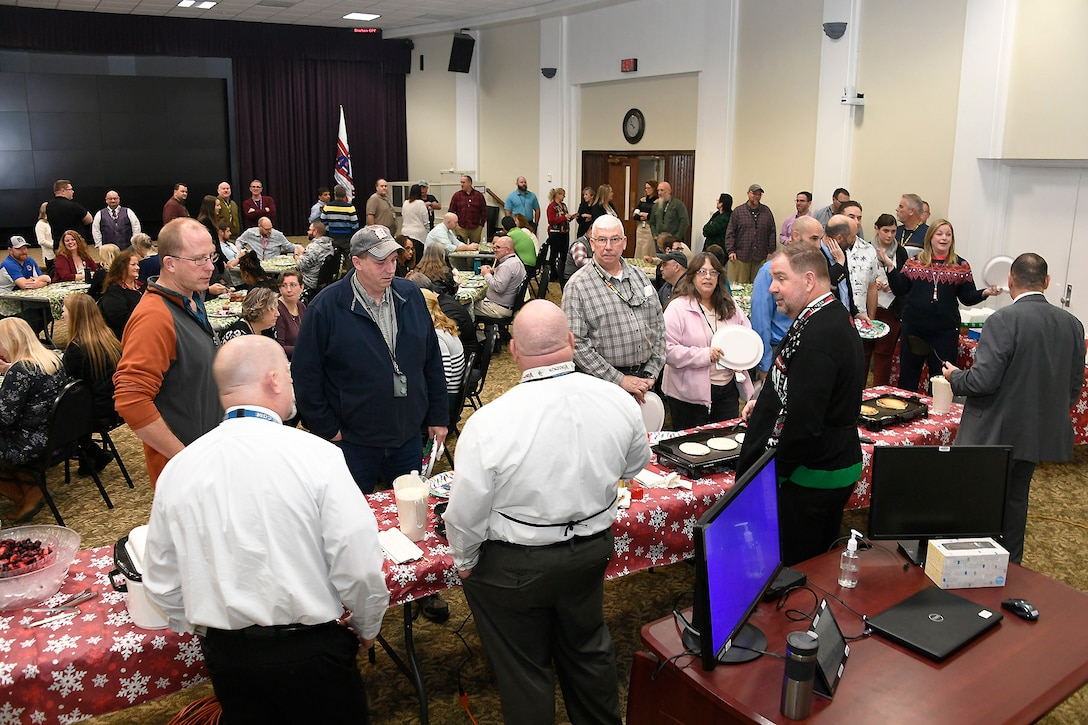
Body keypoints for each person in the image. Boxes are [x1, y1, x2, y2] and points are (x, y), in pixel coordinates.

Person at [143, 335, 390, 724]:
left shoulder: (180, 467)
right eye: (289, 377)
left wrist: (207, 627)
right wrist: (367, 625)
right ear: (274, 380)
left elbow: (160, 578)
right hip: (310, 649)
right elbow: (358, 565)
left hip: (229, 655)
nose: (292, 386)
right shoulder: (318, 456)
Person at [445, 300, 651, 725]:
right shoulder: (620, 400)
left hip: (517, 564)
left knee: (525, 670)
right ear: (572, 343)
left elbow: (466, 511)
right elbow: (634, 467)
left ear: (515, 352)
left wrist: (465, 560)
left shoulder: (490, 422)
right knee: (588, 647)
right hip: (591, 550)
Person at [943, 253, 1085, 564]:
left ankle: (974, 565)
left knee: (978, 502)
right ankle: (1011, 567)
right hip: (1034, 434)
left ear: (1010, 281)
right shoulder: (1073, 324)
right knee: (1016, 500)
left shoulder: (1004, 320)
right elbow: (1073, 386)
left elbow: (983, 381)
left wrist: (956, 378)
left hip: (993, 432)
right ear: (1046, 282)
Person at [292, 226, 448, 493]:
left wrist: (438, 415)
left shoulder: (410, 295)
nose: (390, 269)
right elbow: (306, 376)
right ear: (357, 262)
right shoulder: (326, 308)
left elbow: (431, 360)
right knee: (352, 517)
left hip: (407, 436)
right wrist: (328, 429)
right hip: (353, 442)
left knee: (409, 512)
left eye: (393, 260)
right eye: (380, 262)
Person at [737, 244, 865, 566]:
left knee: (796, 571)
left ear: (809, 281)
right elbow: (797, 382)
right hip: (817, 467)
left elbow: (805, 426)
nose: (771, 287)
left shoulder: (820, 335)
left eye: (780, 278)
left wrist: (771, 478)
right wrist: (768, 401)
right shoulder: (817, 314)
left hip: (809, 477)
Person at [113, 218, 221, 487]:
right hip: (186, 474)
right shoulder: (154, 317)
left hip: (209, 455)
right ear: (170, 263)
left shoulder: (192, 298)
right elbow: (130, 400)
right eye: (198, 260)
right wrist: (184, 458)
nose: (210, 267)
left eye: (211, 256)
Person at [877, 219, 1000, 393]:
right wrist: (890, 267)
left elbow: (967, 297)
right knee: (908, 378)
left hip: (944, 332)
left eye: (948, 235)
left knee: (941, 381)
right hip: (915, 329)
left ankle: (939, 418)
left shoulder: (961, 265)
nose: (944, 238)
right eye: (939, 234)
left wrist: (985, 292)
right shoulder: (914, 262)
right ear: (930, 237)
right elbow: (900, 289)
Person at [562, 215, 665, 403]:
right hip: (603, 386)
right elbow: (576, 343)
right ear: (592, 244)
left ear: (624, 243)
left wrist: (652, 372)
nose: (608, 246)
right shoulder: (577, 286)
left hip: (647, 379)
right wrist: (620, 380)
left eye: (615, 239)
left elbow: (659, 325)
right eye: (602, 240)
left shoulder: (640, 277)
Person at [662, 252, 755, 430]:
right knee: (692, 447)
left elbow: (746, 336)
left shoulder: (730, 306)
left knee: (725, 442)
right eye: (702, 272)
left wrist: (740, 358)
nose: (707, 277)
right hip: (687, 394)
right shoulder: (678, 307)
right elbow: (667, 350)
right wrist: (704, 355)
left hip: (727, 389)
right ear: (692, 276)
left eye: (713, 272)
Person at [0, 318, 68, 522]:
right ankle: (28, 486)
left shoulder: (20, 371)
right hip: (58, 436)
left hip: (28, 443)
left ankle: (26, 493)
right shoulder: (53, 358)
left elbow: (5, 419)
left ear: (11, 341)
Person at [61, 292, 120, 474]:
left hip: (96, 410)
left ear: (75, 315)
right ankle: (91, 455)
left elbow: (64, 382)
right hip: (114, 403)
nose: (62, 313)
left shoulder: (76, 349)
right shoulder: (107, 336)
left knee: (53, 413)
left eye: (65, 309)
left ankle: (90, 452)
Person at [866, 213, 908, 385]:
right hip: (869, 308)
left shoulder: (900, 251)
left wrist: (894, 284)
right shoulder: (866, 249)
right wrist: (871, 282)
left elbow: (905, 281)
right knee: (864, 353)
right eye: (885, 231)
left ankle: (879, 392)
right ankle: (858, 395)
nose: (890, 235)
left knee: (884, 354)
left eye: (893, 231)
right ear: (876, 229)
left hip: (892, 308)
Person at [749, 257, 792, 382]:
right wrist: (765, 364)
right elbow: (760, 319)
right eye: (813, 239)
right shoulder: (768, 271)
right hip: (776, 349)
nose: (818, 245)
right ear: (795, 236)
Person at [724, 184, 777, 284]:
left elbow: (772, 232)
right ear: (748, 194)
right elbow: (730, 232)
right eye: (754, 194)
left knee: (759, 285)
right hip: (741, 256)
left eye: (759, 194)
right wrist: (731, 251)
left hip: (761, 256)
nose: (756, 196)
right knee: (740, 285)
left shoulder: (767, 212)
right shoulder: (738, 211)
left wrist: (771, 251)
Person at [420, 288, 466, 398]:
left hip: (447, 397)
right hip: (452, 391)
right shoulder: (444, 325)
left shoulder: (437, 337)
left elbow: (444, 377)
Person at [472, 235, 526, 320]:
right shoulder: (516, 261)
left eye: (498, 247)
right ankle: (489, 331)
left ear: (507, 250)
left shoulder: (506, 266)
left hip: (498, 308)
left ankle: (470, 332)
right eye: (494, 247)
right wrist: (494, 271)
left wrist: (486, 274)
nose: (494, 250)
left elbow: (498, 287)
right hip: (508, 305)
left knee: (465, 307)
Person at [98, 251, 143, 342]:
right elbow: (119, 318)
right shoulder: (114, 290)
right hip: (125, 336)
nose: (137, 267)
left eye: (137, 264)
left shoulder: (142, 285)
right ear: (122, 267)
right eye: (133, 265)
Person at [45, 179, 92, 253]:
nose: (72, 191)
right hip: (74, 246)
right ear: (63, 191)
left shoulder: (48, 206)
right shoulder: (73, 206)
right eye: (70, 189)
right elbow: (89, 219)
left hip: (58, 245)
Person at [236, 217, 302, 261]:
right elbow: (239, 241)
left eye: (271, 228)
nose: (270, 231)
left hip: (272, 266)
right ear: (259, 227)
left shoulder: (278, 235)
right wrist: (239, 251)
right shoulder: (250, 233)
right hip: (256, 266)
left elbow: (289, 247)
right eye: (267, 229)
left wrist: (299, 248)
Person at [297, 221, 335, 296]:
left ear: (315, 231)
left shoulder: (313, 248)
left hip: (309, 282)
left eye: (310, 230)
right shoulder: (329, 245)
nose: (308, 232)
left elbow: (301, 265)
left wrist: (297, 255)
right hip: (322, 281)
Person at [448, 175, 488, 245]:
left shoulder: (479, 196)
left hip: (476, 228)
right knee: (461, 247)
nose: (461, 184)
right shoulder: (457, 196)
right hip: (461, 227)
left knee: (475, 248)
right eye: (461, 182)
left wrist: (481, 225)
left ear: (470, 183)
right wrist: (455, 225)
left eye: (463, 182)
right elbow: (451, 211)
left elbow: (484, 211)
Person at [320, 185, 360, 253]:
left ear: (335, 194)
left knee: (334, 257)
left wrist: (329, 231)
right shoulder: (350, 208)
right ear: (345, 195)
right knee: (347, 258)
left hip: (332, 237)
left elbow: (323, 223)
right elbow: (355, 225)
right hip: (347, 238)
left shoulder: (327, 207)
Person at [275, 271, 306, 359]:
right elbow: (279, 347)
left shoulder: (301, 306)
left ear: (301, 287)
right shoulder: (277, 310)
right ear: (280, 289)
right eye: (284, 286)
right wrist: (305, 349)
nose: (288, 290)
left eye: (293, 285)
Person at [632, 180, 659, 259]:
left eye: (649, 188)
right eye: (646, 188)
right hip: (641, 227)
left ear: (654, 189)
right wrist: (641, 216)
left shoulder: (657, 202)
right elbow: (635, 214)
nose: (646, 190)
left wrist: (647, 216)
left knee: (648, 248)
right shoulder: (642, 200)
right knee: (639, 248)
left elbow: (655, 215)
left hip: (650, 228)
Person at [34, 202, 55, 275]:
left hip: (57, 254)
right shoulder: (40, 224)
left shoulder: (49, 223)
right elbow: (41, 241)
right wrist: (55, 246)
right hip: (49, 256)